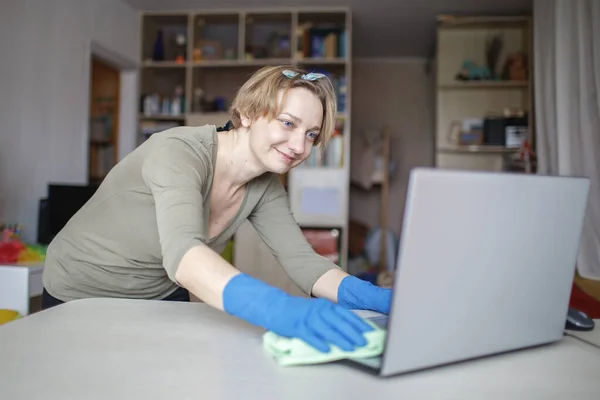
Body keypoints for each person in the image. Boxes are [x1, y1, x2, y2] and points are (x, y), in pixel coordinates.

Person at [42, 65, 391, 353]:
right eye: (288, 123)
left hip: (157, 295)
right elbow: (185, 257)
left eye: (312, 134)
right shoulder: (178, 152)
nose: (300, 145)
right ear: (247, 113)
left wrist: (379, 298)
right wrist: (280, 309)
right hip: (82, 290)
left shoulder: (265, 186)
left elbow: (303, 262)